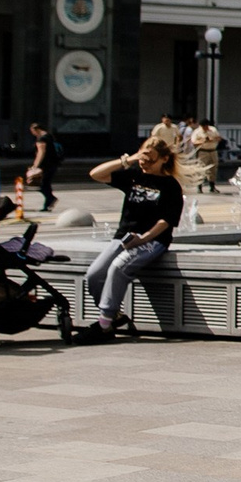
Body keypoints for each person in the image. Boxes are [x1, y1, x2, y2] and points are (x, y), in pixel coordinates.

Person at [75, 137, 184, 342]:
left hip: (153, 240)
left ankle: (104, 325)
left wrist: (143, 239)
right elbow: (96, 174)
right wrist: (129, 160)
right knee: (94, 274)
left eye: (151, 160)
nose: (145, 163)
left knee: (118, 267)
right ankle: (113, 316)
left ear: (164, 159)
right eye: (143, 158)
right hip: (123, 236)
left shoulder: (170, 185)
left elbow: (166, 221)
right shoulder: (134, 176)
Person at [25, 121, 60, 212]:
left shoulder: (42, 139)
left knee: (42, 185)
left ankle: (51, 199)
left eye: (32, 131)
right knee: (46, 184)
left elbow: (41, 153)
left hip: (45, 165)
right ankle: (47, 204)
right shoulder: (49, 136)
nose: (32, 133)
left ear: (36, 130)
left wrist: (35, 166)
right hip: (53, 163)